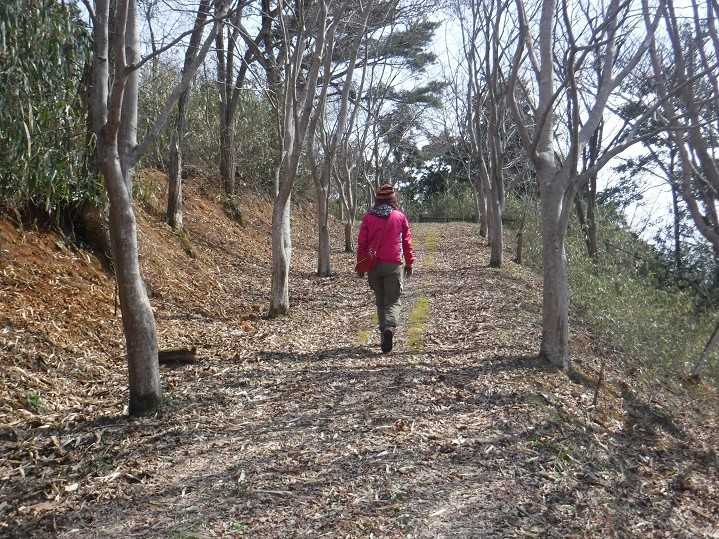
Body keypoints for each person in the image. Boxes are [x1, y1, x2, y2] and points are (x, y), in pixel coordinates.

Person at [357, 184, 415, 353]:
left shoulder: (368, 217)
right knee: (393, 300)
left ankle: (384, 335)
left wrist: (361, 265)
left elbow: (362, 244)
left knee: (380, 300)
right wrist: (409, 262)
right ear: (392, 199)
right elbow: (407, 242)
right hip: (393, 264)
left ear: (377, 199)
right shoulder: (399, 216)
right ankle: (389, 327)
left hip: (373, 265)